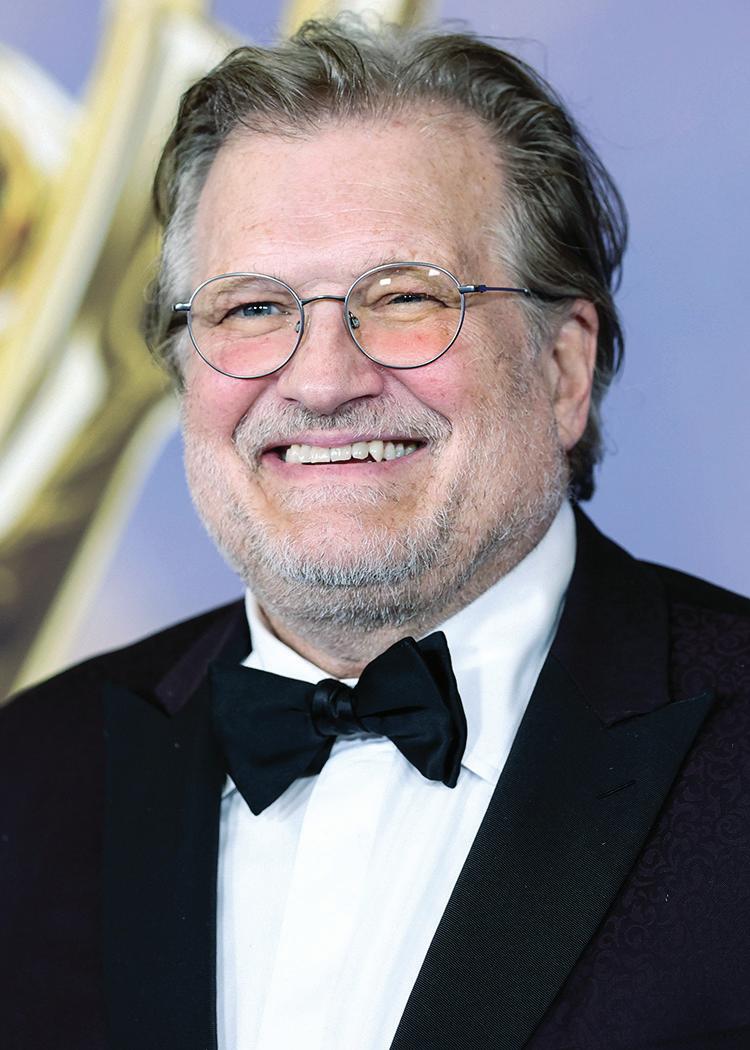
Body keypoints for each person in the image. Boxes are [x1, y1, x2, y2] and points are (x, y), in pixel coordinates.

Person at [2, 17, 749, 1050]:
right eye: (252, 308)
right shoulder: (26, 777)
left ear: (563, 369)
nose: (320, 381)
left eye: (404, 297)